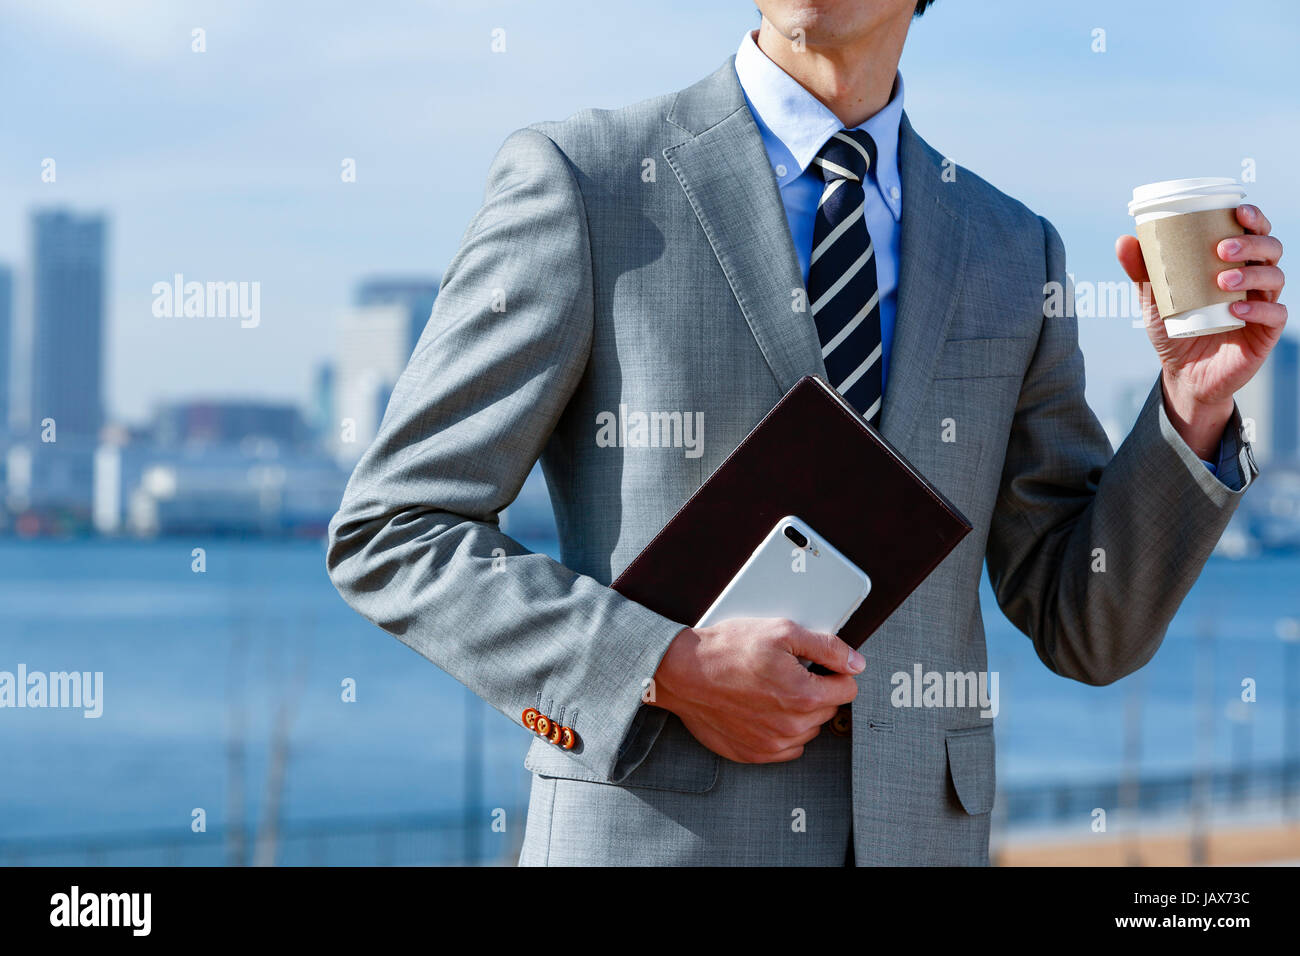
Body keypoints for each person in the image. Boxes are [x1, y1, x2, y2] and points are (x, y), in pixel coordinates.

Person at [326, 0, 1286, 865]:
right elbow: (394, 530)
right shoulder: (587, 183)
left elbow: (1088, 627)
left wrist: (1191, 410)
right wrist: (664, 669)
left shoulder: (1010, 248)